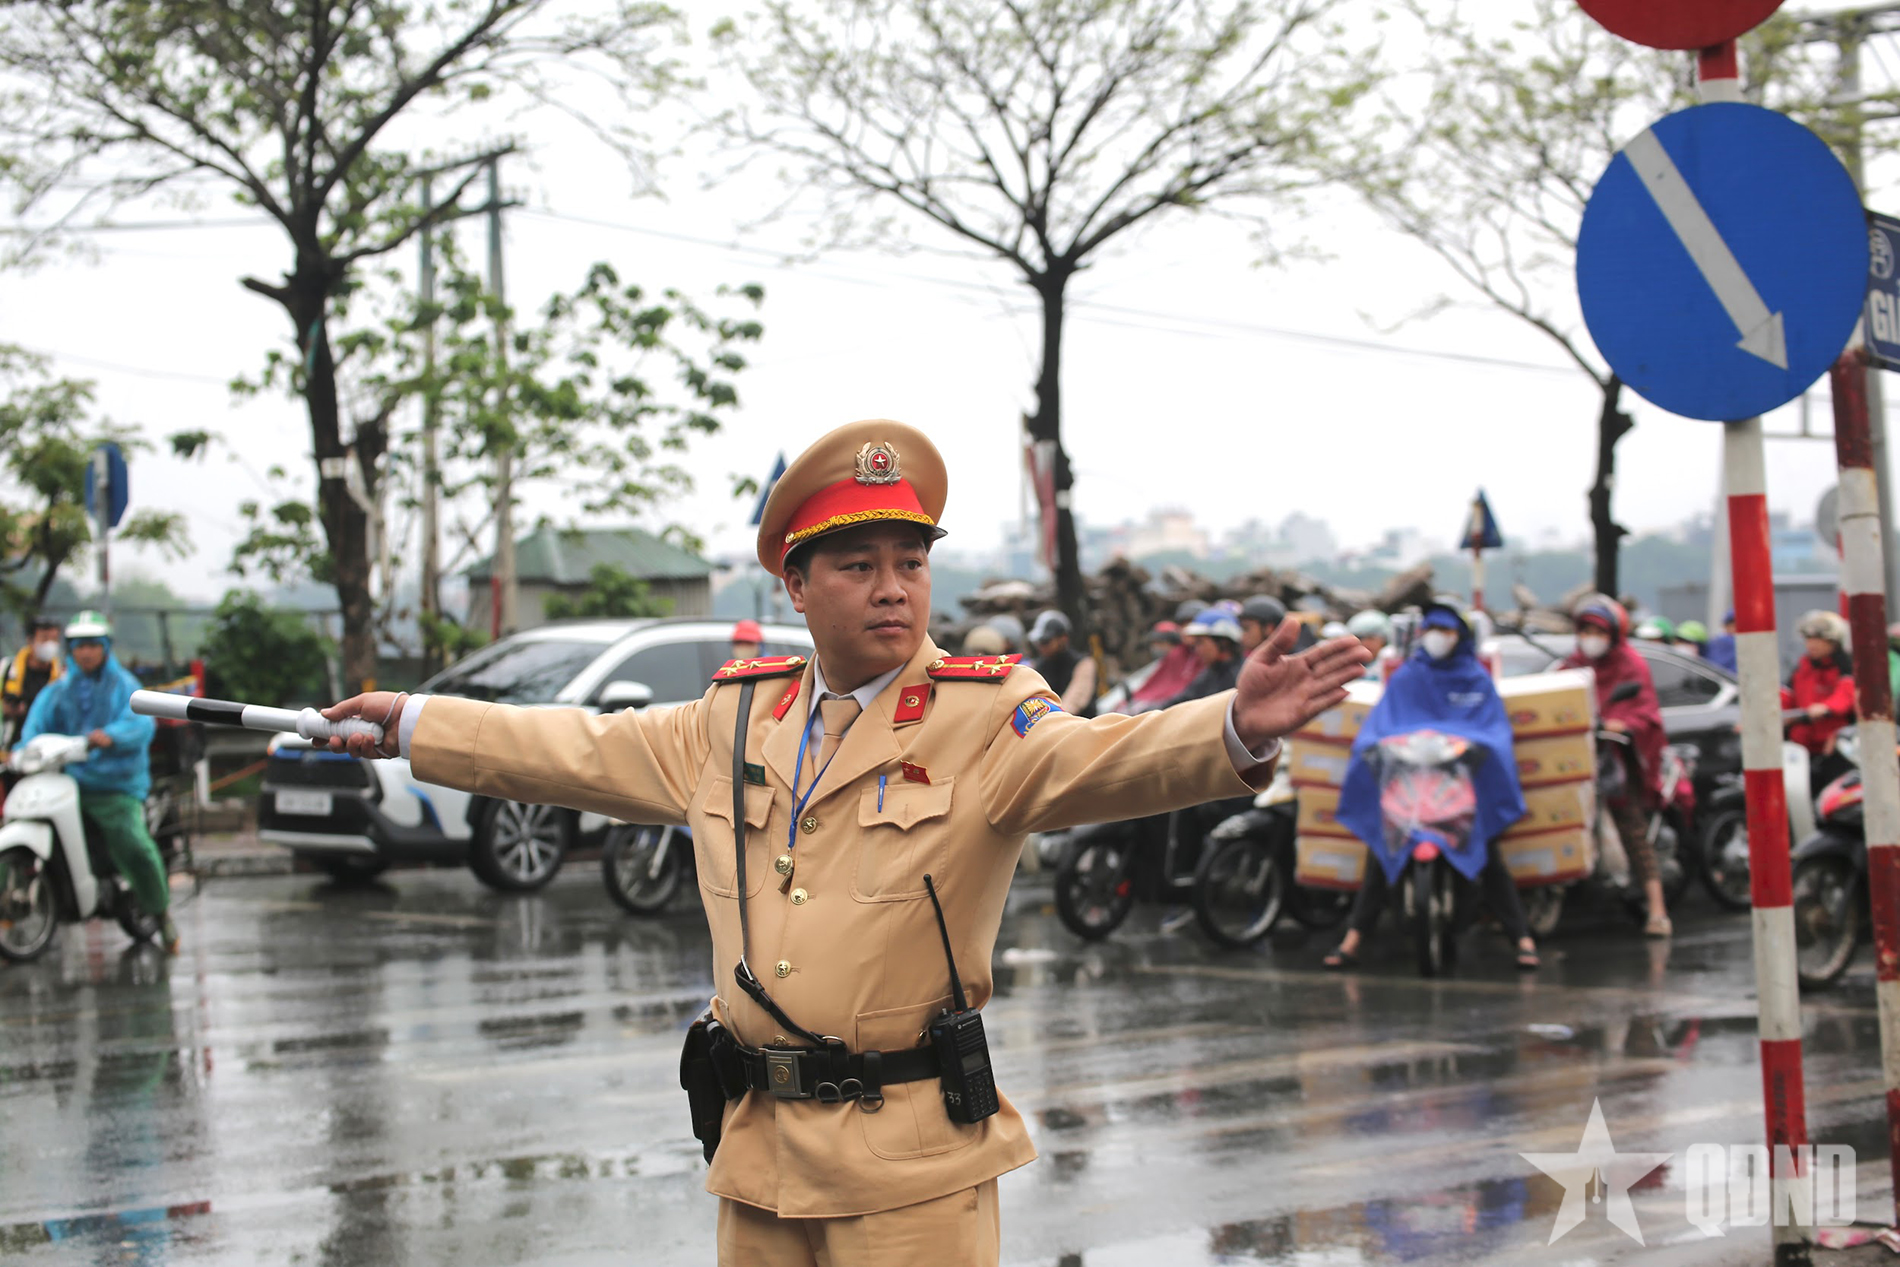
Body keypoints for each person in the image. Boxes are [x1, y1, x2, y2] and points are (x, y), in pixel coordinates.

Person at [318, 420, 1371, 1266]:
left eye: (909, 562)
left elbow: (1093, 762)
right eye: (859, 563)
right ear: (795, 584)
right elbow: (574, 746)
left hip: (910, 1168)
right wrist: (414, 725)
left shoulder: (985, 710)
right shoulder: (733, 719)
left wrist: (1232, 724)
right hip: (759, 1154)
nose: (892, 587)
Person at [1323, 600, 1539, 971]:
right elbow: (1381, 725)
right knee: (1382, 849)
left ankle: (1521, 936)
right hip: (1409, 786)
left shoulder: (1475, 680)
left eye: (1447, 632)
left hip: (1461, 789)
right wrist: (1380, 746)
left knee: (1487, 850)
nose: (1439, 639)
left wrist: (1471, 744)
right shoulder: (1408, 676)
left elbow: (1493, 732)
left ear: (1460, 637)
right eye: (1433, 631)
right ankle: (1353, 938)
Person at [18, 611, 176, 954]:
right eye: (78, 646)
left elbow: (141, 724)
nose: (85, 653)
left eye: (92, 645)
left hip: (115, 786)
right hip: (70, 784)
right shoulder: (58, 690)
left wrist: (110, 737)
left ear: (105, 648)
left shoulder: (125, 686)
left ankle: (162, 916)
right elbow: (33, 728)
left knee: (133, 845)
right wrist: (21, 751)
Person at [1563, 596, 1672, 937]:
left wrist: (1619, 724)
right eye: (1587, 630)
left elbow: (1645, 711)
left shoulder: (1631, 665)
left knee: (1632, 829)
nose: (1591, 637)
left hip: (1619, 761)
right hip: (1579, 758)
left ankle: (1658, 910)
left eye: (1599, 630)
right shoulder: (1572, 665)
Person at [1783, 610, 1856, 795]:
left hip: (1834, 744)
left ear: (1834, 642)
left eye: (1819, 639)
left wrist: (1826, 707)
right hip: (1803, 744)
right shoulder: (1803, 667)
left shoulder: (1845, 666)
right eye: (1809, 639)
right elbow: (1786, 696)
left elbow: (1846, 695)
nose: (1812, 644)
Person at [1127, 601, 1207, 711]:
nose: (1186, 630)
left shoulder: (1206, 659)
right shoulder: (1180, 654)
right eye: (1182, 625)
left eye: (1190, 624)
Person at [2, 617, 63, 751]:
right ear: (30, 640)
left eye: (54, 639)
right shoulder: (7, 669)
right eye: (44, 638)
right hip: (7, 748)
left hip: (45, 750)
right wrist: (6, 710)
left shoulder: (61, 678)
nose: (50, 644)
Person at [1164, 608, 1246, 706]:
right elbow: (1183, 700)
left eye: (1200, 642)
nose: (1197, 650)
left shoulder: (1242, 677)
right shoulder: (1210, 673)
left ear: (1223, 642)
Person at [1026, 610, 1096, 716]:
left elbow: (1076, 699)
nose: (1041, 647)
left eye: (1046, 641)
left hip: (1081, 726)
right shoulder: (1038, 667)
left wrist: (1052, 718)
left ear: (1063, 639)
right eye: (1039, 643)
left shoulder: (1083, 664)